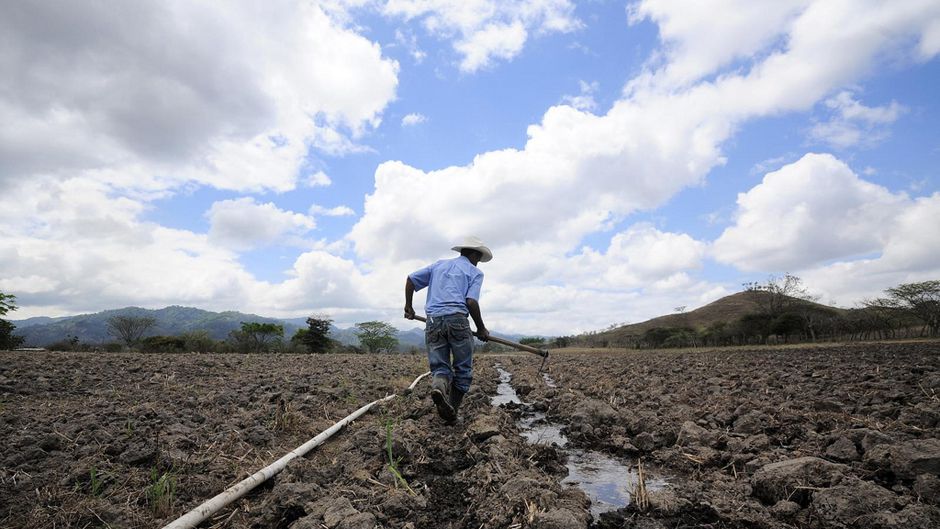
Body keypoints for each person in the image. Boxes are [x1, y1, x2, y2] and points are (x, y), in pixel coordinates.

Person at [404, 236, 491, 423]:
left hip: (433, 322)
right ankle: (451, 412)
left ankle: (439, 388)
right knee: (463, 370)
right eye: (478, 257)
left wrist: (409, 307)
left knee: (440, 368)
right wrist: (481, 328)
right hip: (457, 321)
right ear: (474, 254)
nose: (478, 262)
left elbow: (411, 279)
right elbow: (471, 301)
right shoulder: (474, 272)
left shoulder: (438, 265)